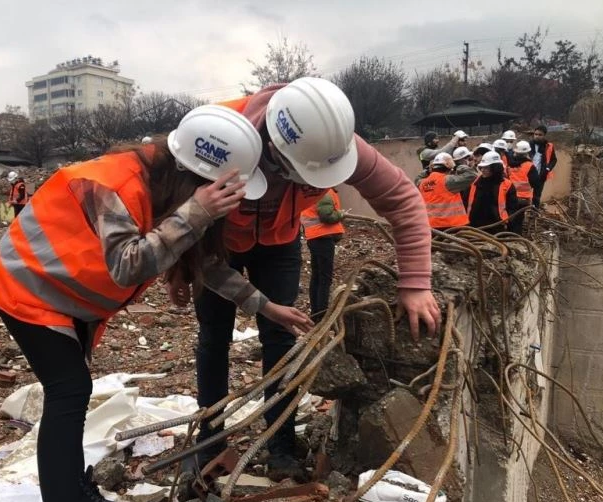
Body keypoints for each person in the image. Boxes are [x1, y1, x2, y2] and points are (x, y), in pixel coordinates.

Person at [0, 104, 311, 502]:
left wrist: (268, 308)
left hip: (69, 295)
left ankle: (74, 490)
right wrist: (197, 211)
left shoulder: (168, 192)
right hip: (30, 288)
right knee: (69, 394)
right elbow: (127, 264)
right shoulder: (111, 185)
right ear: (193, 175)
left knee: (74, 392)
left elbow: (207, 263)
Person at [171, 78, 440, 481]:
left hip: (278, 242)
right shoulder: (217, 134)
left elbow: (402, 197)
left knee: (280, 338)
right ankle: (208, 441)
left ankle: (279, 445)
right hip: (217, 244)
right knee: (214, 337)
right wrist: (181, 268)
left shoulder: (327, 137)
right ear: (275, 150)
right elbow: (179, 216)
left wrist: (416, 281)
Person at [300, 188, 345, 322]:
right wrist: (341, 214)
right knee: (325, 278)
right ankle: (321, 315)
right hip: (323, 238)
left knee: (317, 277)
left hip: (314, 237)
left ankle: (316, 313)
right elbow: (326, 216)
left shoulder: (312, 191)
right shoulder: (325, 192)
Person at [417, 152, 475, 228]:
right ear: (448, 167)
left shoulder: (422, 183)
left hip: (432, 227)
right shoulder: (448, 181)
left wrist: (427, 170)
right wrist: (455, 166)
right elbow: (472, 175)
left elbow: (417, 179)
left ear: (433, 167)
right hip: (453, 225)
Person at [466, 151, 519, 232]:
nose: (482, 170)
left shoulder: (507, 185)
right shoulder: (475, 183)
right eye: (481, 167)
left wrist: (506, 221)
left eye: (486, 167)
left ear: (495, 168)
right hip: (475, 225)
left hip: (496, 226)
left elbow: (513, 207)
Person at [506, 141, 540, 233]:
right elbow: (536, 183)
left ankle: (508, 236)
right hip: (523, 199)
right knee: (518, 221)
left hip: (510, 197)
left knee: (510, 218)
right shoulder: (529, 166)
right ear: (527, 153)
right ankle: (517, 239)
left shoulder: (509, 165)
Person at [530, 125, 557, 202]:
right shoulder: (528, 145)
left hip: (541, 175)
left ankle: (534, 212)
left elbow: (554, 160)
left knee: (537, 196)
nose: (537, 136)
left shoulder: (549, 146)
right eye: (536, 134)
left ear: (544, 135)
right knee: (525, 196)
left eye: (540, 135)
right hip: (528, 174)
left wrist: (547, 169)